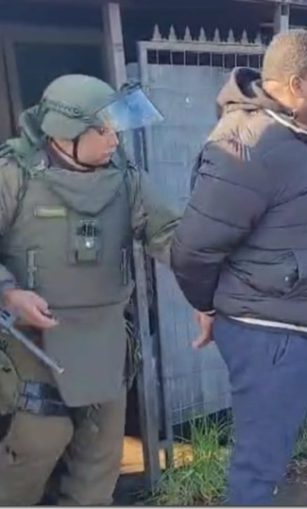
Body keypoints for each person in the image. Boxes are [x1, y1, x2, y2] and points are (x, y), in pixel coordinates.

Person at [170, 29, 307, 506]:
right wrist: (207, 305)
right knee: (260, 468)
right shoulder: (244, 146)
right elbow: (192, 249)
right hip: (271, 334)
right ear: (296, 85)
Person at [0, 74, 181, 505]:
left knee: (101, 456)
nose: (114, 140)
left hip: (104, 337)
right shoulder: (13, 174)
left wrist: (221, 263)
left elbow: (171, 235)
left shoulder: (126, 179)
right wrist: (9, 293)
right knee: (39, 440)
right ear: (65, 133)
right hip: (31, 340)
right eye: (104, 130)